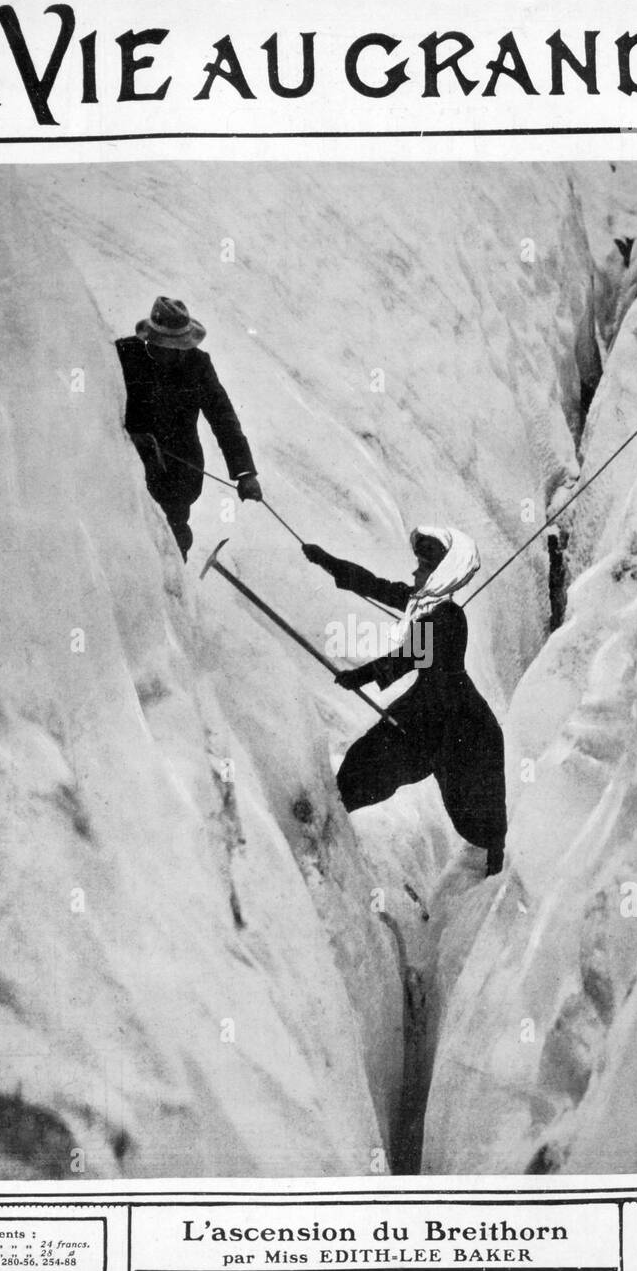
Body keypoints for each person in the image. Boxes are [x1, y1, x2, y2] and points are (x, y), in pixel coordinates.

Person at [303, 527, 508, 876]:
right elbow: (376, 586)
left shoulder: (447, 618)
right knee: (365, 763)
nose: (415, 574)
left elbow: (408, 657)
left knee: (472, 808)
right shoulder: (426, 604)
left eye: (423, 569)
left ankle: (493, 875)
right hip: (428, 710)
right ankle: (327, 826)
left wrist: (360, 677)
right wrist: (328, 562)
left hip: (456, 720)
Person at [115, 296, 262, 560]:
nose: (173, 352)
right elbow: (101, 401)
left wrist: (244, 473)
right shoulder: (125, 354)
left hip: (178, 475)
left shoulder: (198, 365)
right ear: (150, 338)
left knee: (173, 538)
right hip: (125, 466)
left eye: (179, 346)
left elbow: (223, 418)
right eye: (165, 345)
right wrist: (126, 436)